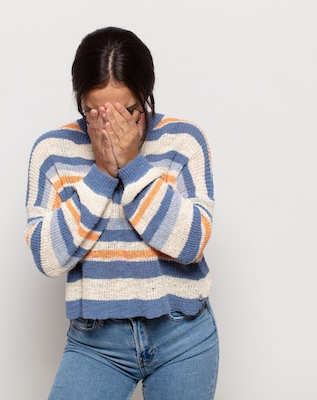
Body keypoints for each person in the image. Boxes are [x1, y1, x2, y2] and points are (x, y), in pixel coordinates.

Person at [24, 26, 219, 400]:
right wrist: (100, 174)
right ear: (80, 100)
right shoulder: (52, 152)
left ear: (145, 97)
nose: (110, 126)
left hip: (183, 334)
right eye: (95, 112)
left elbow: (191, 243)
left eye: (126, 111)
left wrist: (132, 166)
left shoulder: (184, 141)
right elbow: (49, 259)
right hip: (96, 341)